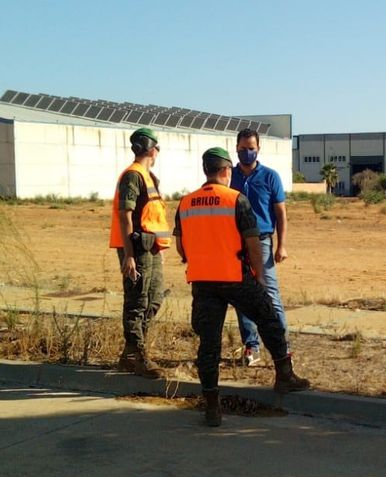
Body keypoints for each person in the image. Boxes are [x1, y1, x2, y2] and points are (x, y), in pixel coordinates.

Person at [174, 147, 310, 427]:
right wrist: (259, 277)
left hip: (202, 281)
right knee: (268, 318)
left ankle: (212, 406)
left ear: (205, 171)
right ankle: (284, 375)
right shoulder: (236, 199)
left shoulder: (185, 203)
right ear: (226, 171)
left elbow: (181, 244)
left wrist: (196, 259)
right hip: (234, 277)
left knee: (208, 345)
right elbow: (252, 242)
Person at [108, 127, 171, 379]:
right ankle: (139, 356)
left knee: (154, 298)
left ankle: (130, 354)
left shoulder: (148, 176)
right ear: (151, 148)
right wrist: (129, 255)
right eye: (156, 147)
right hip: (137, 248)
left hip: (151, 248)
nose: (157, 152)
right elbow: (125, 216)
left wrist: (160, 249)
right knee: (137, 301)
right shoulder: (133, 176)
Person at [229, 128, 289, 366]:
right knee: (243, 296)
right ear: (236, 149)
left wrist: (282, 245)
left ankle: (281, 345)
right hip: (236, 242)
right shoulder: (229, 176)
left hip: (262, 241)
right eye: (243, 149)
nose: (247, 153)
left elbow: (281, 214)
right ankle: (251, 346)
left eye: (251, 149)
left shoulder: (270, 176)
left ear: (258, 149)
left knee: (269, 293)